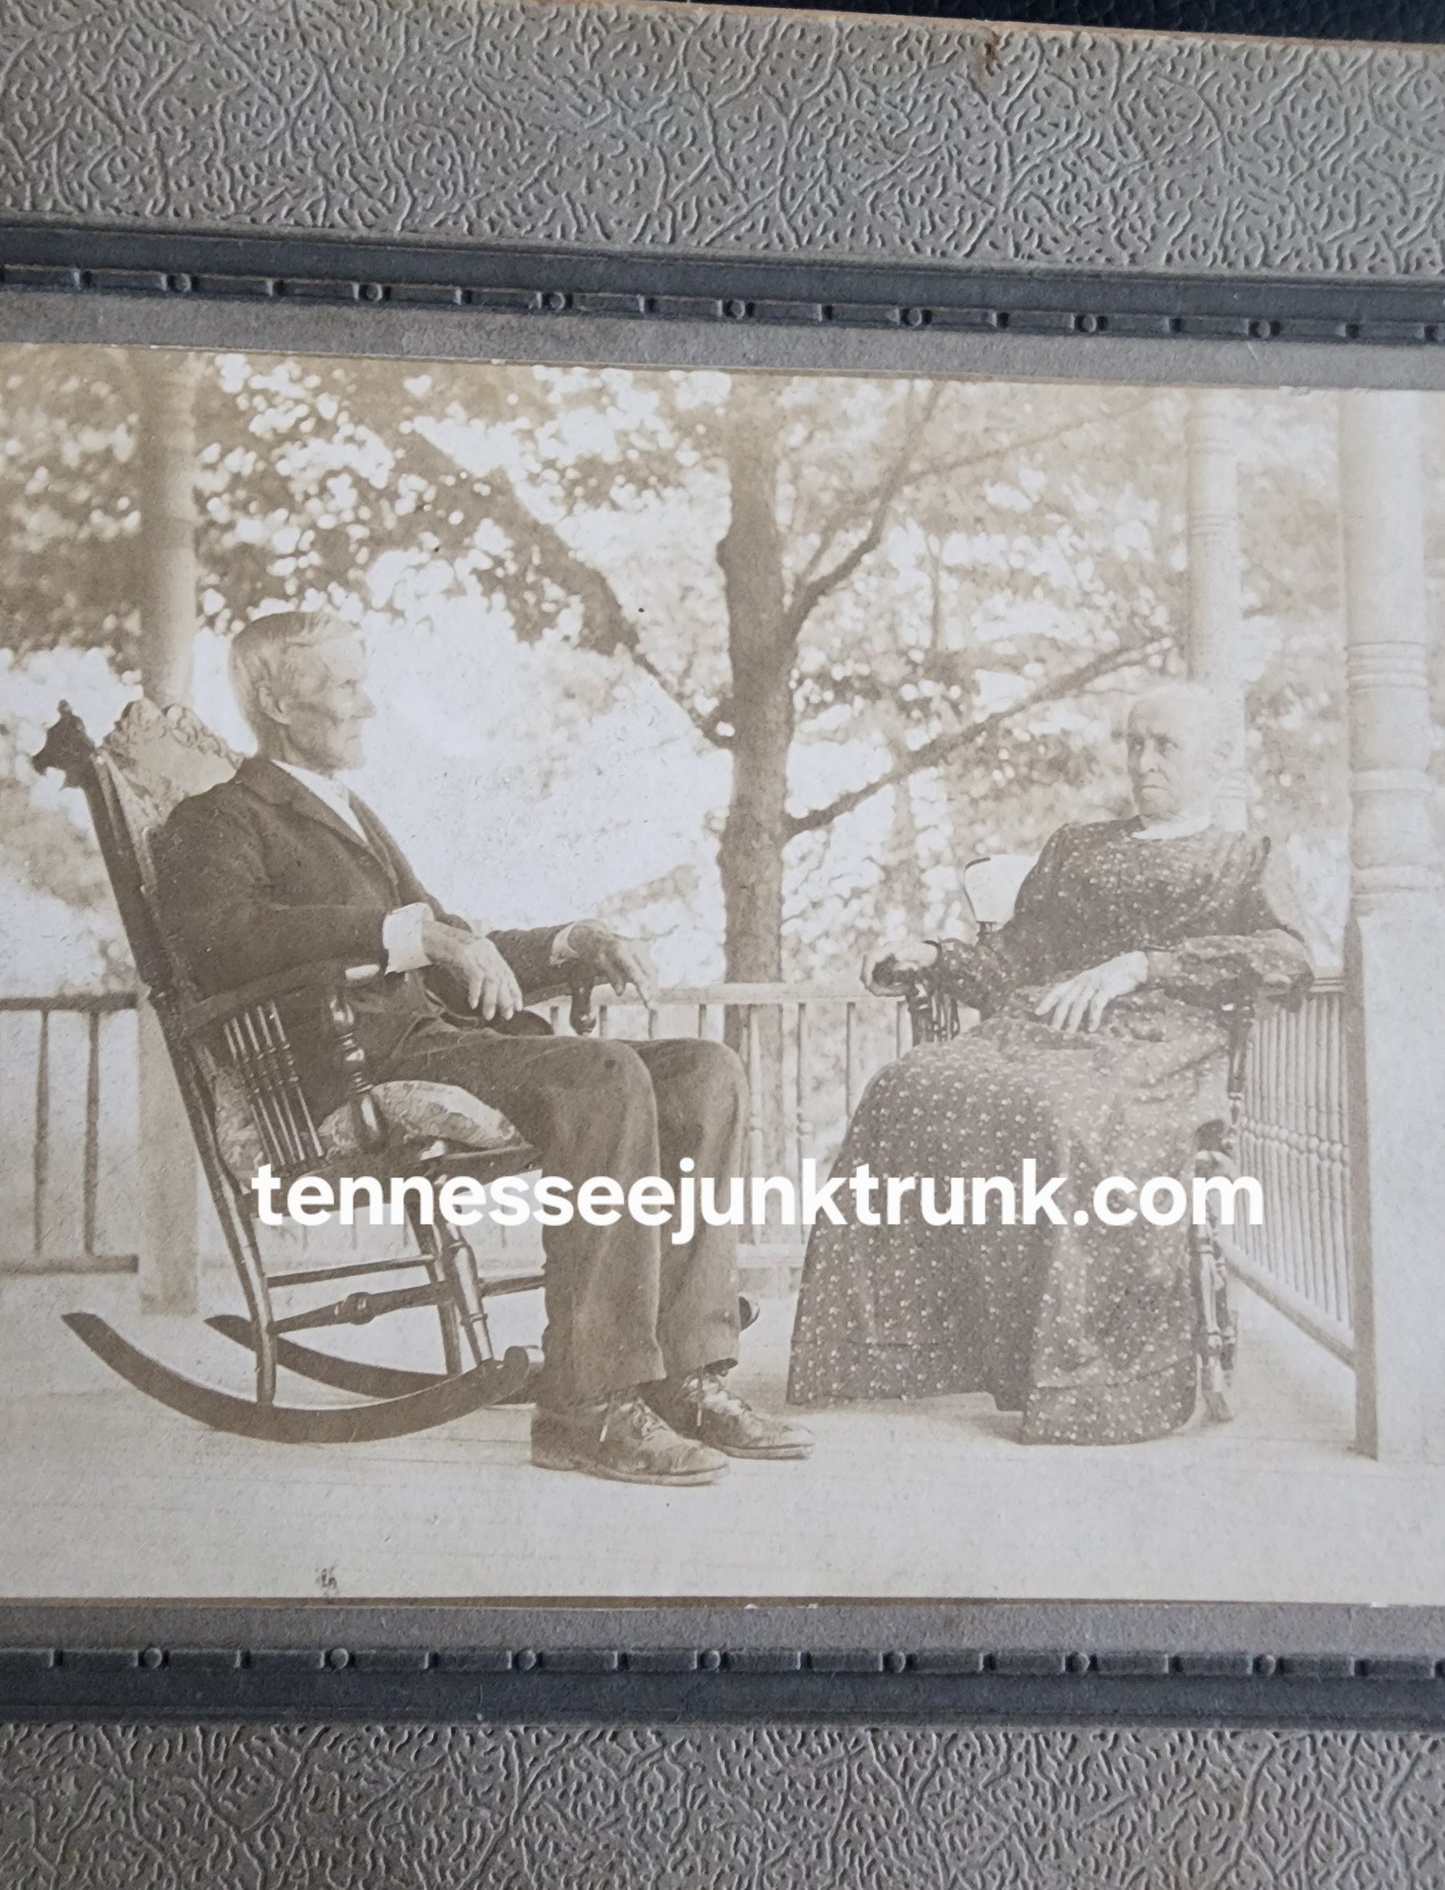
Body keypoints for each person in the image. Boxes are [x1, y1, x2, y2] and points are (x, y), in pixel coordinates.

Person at [154, 609, 812, 1485]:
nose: (368, 706)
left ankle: (686, 1373)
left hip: (442, 1036)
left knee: (704, 1069)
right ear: (275, 699)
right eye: (344, 685)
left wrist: (568, 942)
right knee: (602, 1074)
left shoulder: (346, 809)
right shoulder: (220, 817)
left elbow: (456, 944)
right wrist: (409, 935)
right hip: (369, 1061)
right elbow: (222, 939)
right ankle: (587, 1406)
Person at [786, 684, 1313, 1445]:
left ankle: (1083, 1376)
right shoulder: (1078, 845)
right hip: (1042, 1027)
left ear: (1219, 759)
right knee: (906, 1085)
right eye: (1134, 742)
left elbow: (1286, 957)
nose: (1142, 760)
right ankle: (904, 1349)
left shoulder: (1244, 856)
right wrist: (936, 955)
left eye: (1164, 744)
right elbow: (1018, 954)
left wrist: (1142, 964)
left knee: (1061, 1115)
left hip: (1158, 1045)